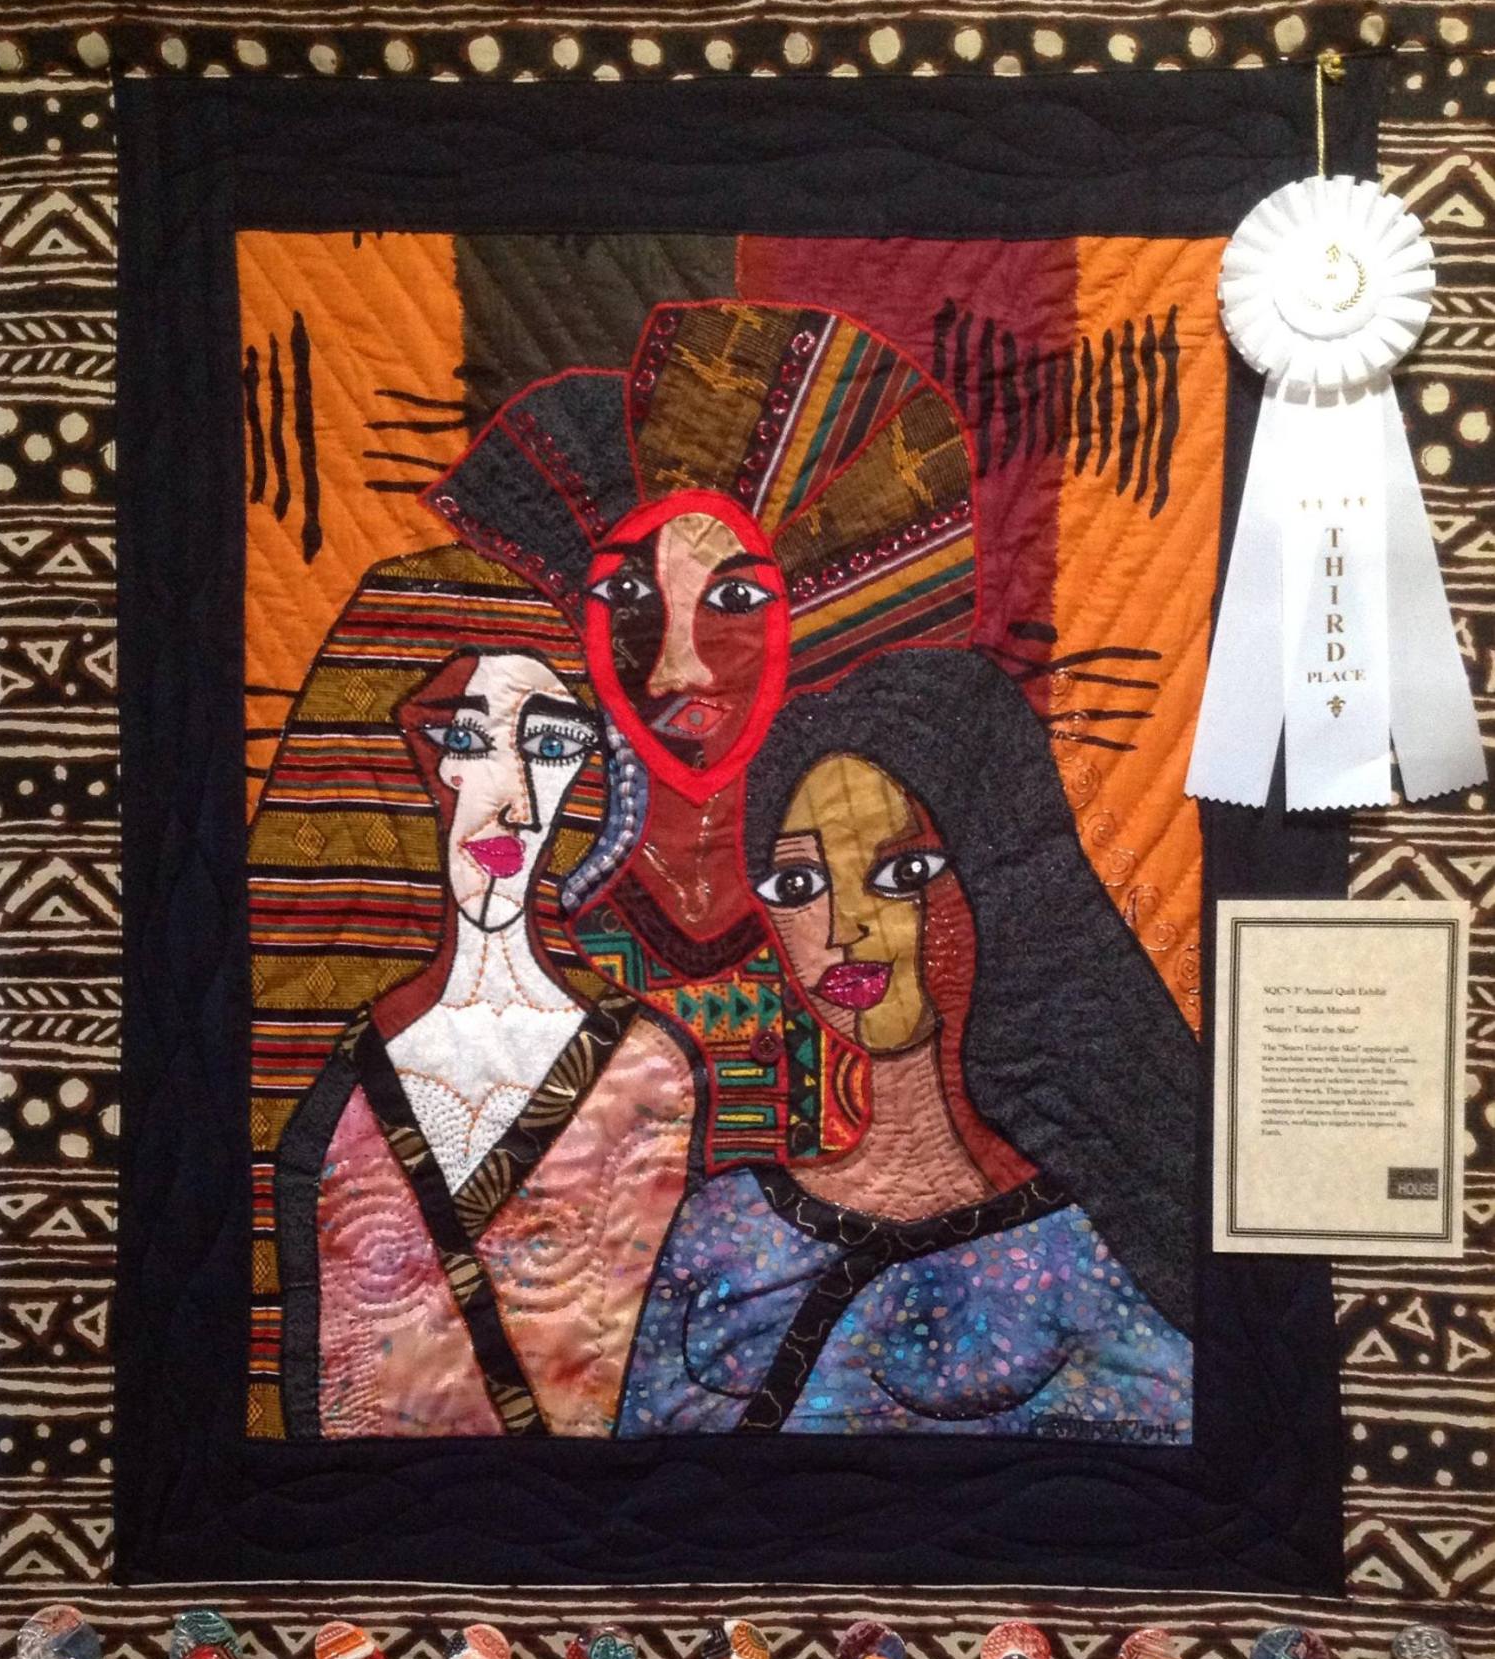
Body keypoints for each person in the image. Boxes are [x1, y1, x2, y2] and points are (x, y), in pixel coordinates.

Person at [426, 298, 982, 1175]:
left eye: (734, 600)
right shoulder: (527, 907)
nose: (676, 669)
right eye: (628, 598)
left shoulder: (873, 912)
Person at [617, 647, 1193, 1438]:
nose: (843, 927)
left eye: (902, 873)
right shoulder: (720, 1223)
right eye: (798, 885)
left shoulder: (1094, 1250)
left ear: (993, 880)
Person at [264, 547, 695, 1438]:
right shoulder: (332, 1085)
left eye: (551, 747)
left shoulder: (649, 1071)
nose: (515, 803)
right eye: (464, 740)